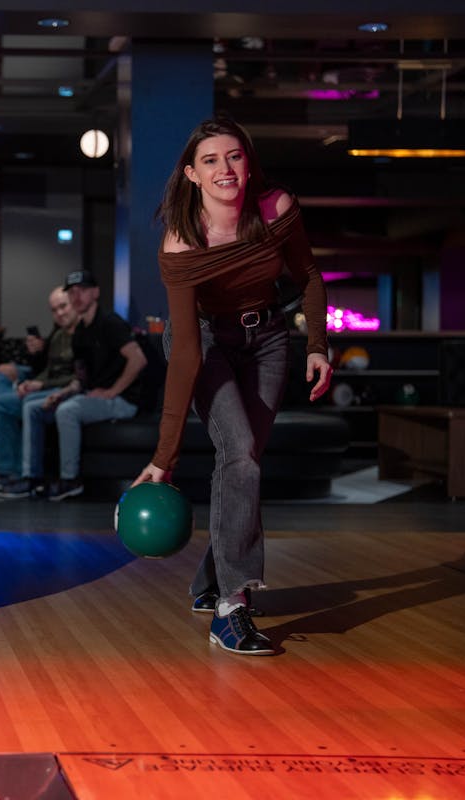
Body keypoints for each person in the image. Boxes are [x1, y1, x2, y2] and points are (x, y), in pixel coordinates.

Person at [129, 116, 332, 657]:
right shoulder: (181, 241)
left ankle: (210, 581)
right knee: (239, 453)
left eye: (235, 157)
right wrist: (164, 456)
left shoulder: (277, 209)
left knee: (245, 460)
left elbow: (308, 274)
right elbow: (188, 352)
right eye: (212, 160)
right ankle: (230, 609)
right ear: (192, 175)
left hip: (267, 338)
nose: (226, 168)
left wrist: (316, 344)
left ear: (248, 163)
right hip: (204, 341)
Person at [0, 271, 146, 500]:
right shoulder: (80, 333)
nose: (77, 297)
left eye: (83, 291)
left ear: (95, 293)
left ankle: (70, 480)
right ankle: (32, 478)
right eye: (73, 292)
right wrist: (60, 393)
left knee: (68, 410)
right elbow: (81, 379)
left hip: (122, 400)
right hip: (91, 395)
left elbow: (138, 359)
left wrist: (112, 391)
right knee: (34, 407)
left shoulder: (110, 322)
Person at [0, 286, 79, 483]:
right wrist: (37, 355)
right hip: (46, 378)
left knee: (12, 402)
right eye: (54, 310)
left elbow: (75, 376)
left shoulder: (83, 333)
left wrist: (38, 383)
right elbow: (47, 367)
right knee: (3, 377)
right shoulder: (58, 334)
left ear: (76, 303)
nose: (59, 313)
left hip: (64, 388)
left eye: (63, 307)